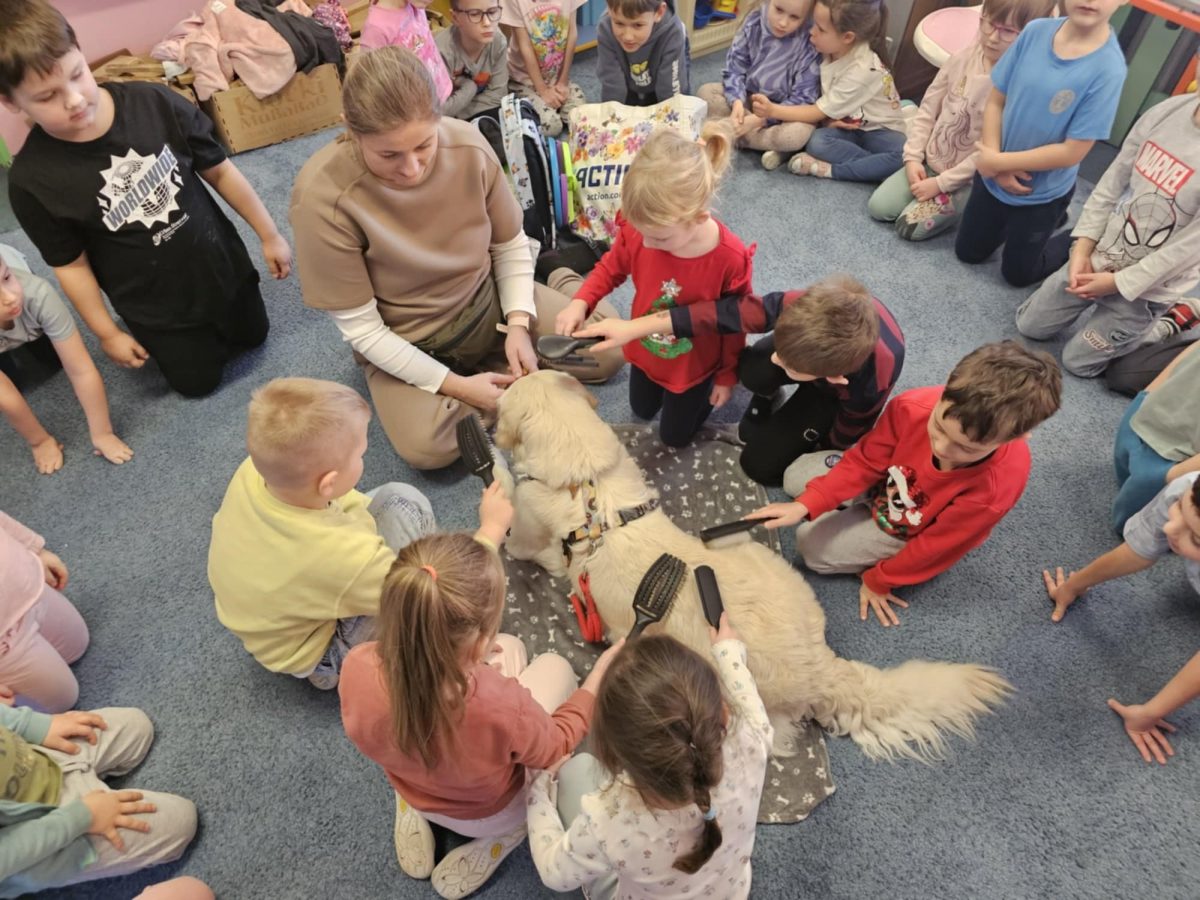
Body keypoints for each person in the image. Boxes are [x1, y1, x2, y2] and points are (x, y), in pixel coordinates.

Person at [290, 47, 622, 470]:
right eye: (389, 155)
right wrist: (457, 387)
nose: (412, 169)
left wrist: (518, 324)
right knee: (428, 448)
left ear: (439, 118)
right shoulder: (321, 198)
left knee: (608, 351)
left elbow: (508, 245)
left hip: (488, 302)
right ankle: (503, 375)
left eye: (424, 145)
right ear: (350, 130)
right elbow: (365, 332)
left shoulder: (468, 145)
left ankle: (553, 273)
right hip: (412, 339)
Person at [339, 487, 623, 899]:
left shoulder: (356, 665)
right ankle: (505, 835)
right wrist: (597, 679)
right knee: (555, 668)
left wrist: (490, 529)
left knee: (509, 648)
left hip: (413, 783)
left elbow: (442, 594)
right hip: (491, 812)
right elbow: (556, 745)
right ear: (474, 649)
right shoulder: (499, 706)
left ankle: (412, 806)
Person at [1, 1, 292, 399]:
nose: (74, 100)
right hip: (159, 311)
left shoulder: (155, 102)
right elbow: (71, 266)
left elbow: (221, 171)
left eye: (77, 74)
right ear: (11, 102)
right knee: (199, 385)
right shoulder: (31, 183)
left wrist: (269, 234)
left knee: (257, 335)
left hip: (224, 269)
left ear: (81, 52)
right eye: (47, 96)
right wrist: (107, 333)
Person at [752, 340, 1062, 627]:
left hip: (910, 524)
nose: (941, 448)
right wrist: (809, 503)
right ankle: (850, 512)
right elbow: (865, 460)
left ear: (1018, 437)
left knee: (810, 548)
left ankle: (860, 526)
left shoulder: (995, 488)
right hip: (886, 480)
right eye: (938, 427)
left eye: (966, 448)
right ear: (945, 388)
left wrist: (879, 580)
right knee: (795, 476)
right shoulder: (912, 406)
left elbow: (938, 546)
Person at [208, 378, 436, 691]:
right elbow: (417, 594)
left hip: (268, 622)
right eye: (361, 454)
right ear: (327, 483)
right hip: (323, 656)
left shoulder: (256, 470)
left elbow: (343, 505)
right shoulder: (341, 556)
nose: (364, 458)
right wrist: (488, 534)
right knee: (406, 505)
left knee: (381, 507)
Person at [572, 276, 905, 486]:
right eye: (780, 352)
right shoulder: (801, 305)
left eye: (786, 364)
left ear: (832, 377)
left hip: (834, 393)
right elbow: (723, 313)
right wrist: (635, 328)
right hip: (812, 352)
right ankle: (768, 396)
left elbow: (849, 429)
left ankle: (795, 407)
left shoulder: (870, 382)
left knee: (760, 467)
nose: (776, 359)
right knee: (754, 369)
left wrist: (819, 447)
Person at [527, 619, 772, 900]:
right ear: (723, 712)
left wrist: (538, 791)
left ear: (615, 755)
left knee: (577, 770)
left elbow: (553, 872)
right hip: (733, 891)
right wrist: (729, 651)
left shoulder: (609, 820)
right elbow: (744, 692)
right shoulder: (752, 737)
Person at [554, 123, 754, 447]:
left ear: (699, 218)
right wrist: (581, 300)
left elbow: (735, 323)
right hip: (645, 346)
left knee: (674, 438)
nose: (646, 244)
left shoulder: (730, 259)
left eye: (659, 238)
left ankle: (723, 387)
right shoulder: (643, 229)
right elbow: (613, 266)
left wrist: (727, 376)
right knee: (641, 408)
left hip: (694, 365)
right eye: (640, 232)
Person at [1016, 93, 1200, 375]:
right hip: (1101, 254)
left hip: (1149, 288)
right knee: (1029, 326)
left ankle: (1169, 322)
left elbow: (1185, 252)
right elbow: (1111, 185)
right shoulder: (1166, 111)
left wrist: (1118, 282)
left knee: (1077, 363)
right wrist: (1081, 248)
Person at [953, 0, 1127, 287]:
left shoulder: (1109, 69)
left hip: (1041, 195)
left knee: (1017, 276)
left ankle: (1073, 235)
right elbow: (996, 100)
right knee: (967, 254)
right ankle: (1021, 225)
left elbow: (1073, 151)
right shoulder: (1035, 32)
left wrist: (998, 162)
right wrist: (994, 160)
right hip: (993, 175)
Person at [1042, 473, 1200, 764]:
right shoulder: (1188, 486)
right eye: (1180, 507)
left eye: (1197, 538)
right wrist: (1073, 586)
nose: (1170, 527)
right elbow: (1138, 551)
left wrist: (1151, 712)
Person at [868, 0, 1055, 241]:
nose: (992, 37)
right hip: (930, 159)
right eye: (988, 24)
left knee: (908, 228)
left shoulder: (1019, 86)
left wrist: (941, 184)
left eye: (1008, 31)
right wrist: (913, 157)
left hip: (964, 179)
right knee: (878, 207)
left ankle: (964, 202)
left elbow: (987, 152)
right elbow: (929, 107)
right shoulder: (963, 57)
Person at [0, 702, 197, 894]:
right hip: (44, 835)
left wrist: (34, 725)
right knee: (182, 820)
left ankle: (91, 785)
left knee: (137, 724)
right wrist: (82, 817)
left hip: (37, 755)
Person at [0, 252, 132, 474]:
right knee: (15, 383)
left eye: (6, 278)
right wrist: (39, 442)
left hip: (30, 315)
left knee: (52, 362)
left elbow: (81, 369)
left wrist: (103, 433)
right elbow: (5, 395)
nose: (10, 297)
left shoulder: (37, 293)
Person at [753, 0, 909, 182]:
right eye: (813, 24)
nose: (811, 31)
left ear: (847, 37)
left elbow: (816, 112)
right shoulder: (827, 47)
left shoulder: (861, 71)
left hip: (881, 130)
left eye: (820, 29)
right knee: (818, 142)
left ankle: (832, 170)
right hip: (847, 126)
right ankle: (873, 167)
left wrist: (772, 110)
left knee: (902, 157)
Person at [697, 0, 821, 169]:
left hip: (784, 111)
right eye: (779, 10)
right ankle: (765, 144)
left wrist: (759, 120)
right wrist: (737, 102)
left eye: (794, 17)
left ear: (806, 17)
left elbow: (803, 99)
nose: (783, 22)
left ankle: (731, 133)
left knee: (796, 135)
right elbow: (734, 69)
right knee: (706, 93)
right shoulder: (753, 22)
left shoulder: (809, 41)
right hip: (750, 99)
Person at [0, 511, 88, 713]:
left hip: (26, 586)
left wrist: (34, 548)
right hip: (4, 647)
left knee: (78, 642)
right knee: (63, 697)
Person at [1111, 341, 1200, 533]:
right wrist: (1145, 395)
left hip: (1178, 456)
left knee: (1132, 528)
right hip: (1148, 420)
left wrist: (1172, 474)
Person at [501, 0, 586, 136]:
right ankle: (518, 105)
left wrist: (563, 81)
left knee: (581, 118)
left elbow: (572, 33)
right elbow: (525, 46)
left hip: (555, 78)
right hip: (523, 81)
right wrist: (543, 91)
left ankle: (552, 104)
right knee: (551, 126)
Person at [597, 0, 689, 107]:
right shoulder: (605, 28)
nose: (628, 37)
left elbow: (671, 93)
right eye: (619, 24)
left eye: (638, 25)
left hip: (664, 82)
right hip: (628, 82)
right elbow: (612, 83)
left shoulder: (673, 32)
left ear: (659, 12)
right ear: (609, 9)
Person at [360, 0, 454, 102]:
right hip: (420, 106)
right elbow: (373, 83)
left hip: (441, 89)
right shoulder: (375, 29)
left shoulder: (415, 4)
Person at [435, 0, 509, 119]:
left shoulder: (498, 41)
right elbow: (438, 110)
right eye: (474, 14)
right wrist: (469, 88)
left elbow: (498, 95)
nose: (487, 22)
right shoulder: (441, 52)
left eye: (492, 12)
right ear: (455, 17)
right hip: (448, 122)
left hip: (482, 113)